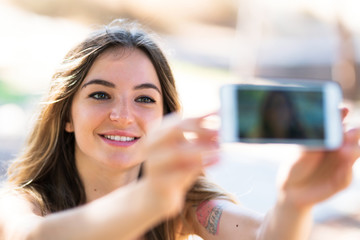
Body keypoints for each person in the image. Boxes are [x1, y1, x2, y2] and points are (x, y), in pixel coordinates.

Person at [0, 19, 359, 240]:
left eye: (144, 100)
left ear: (166, 117)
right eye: (100, 94)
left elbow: (265, 235)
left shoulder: (185, 207)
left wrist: (294, 201)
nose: (123, 115)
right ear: (67, 115)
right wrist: (150, 199)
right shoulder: (21, 203)